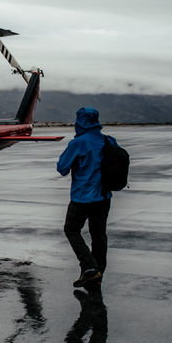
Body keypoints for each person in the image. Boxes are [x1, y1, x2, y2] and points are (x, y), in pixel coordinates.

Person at [56, 107, 114, 287]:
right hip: (104, 197)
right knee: (98, 235)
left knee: (71, 230)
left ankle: (89, 267)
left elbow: (62, 168)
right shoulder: (108, 140)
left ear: (80, 121)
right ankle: (98, 273)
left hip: (82, 198)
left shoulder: (78, 143)